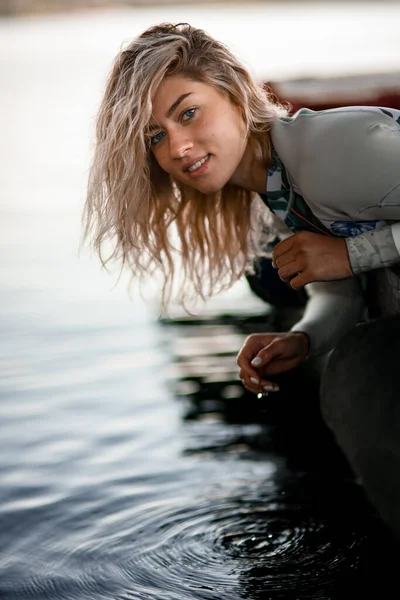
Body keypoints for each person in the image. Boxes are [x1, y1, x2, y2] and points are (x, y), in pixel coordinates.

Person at [82, 22, 400, 538]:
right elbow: (337, 295)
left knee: (358, 372)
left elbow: (344, 263)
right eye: (156, 136)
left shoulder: (335, 149)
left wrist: (354, 252)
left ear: (232, 93)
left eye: (188, 113)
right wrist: (302, 338)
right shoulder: (275, 188)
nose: (178, 148)